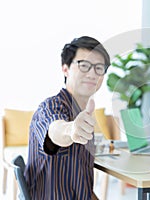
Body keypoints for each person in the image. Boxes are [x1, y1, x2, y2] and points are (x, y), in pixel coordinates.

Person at [24, 36, 110, 199]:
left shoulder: (82, 114)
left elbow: (82, 188)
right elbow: (56, 129)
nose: (93, 74)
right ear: (65, 69)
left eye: (99, 68)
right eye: (84, 65)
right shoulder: (50, 107)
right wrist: (71, 130)